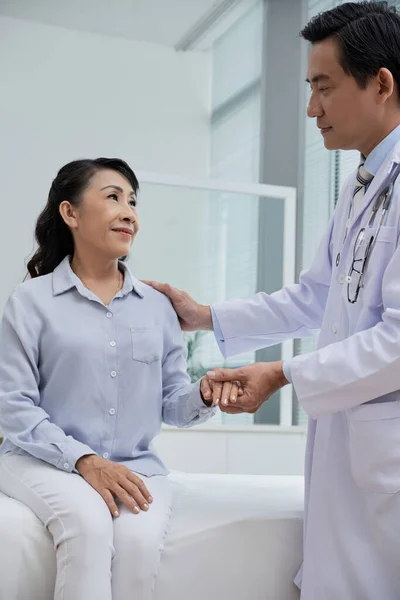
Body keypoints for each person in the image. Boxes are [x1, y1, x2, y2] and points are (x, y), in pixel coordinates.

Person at [145, 2, 400, 599]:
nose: (312, 108)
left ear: (382, 83)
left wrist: (282, 373)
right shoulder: (363, 186)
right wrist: (203, 316)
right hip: (353, 452)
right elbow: (314, 297)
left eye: (324, 88)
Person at [0, 157, 239, 600]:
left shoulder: (157, 306)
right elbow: (13, 405)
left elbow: (172, 402)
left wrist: (203, 395)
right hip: (42, 460)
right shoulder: (30, 302)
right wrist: (85, 460)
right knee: (87, 524)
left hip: (135, 468)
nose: (130, 211)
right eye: (113, 197)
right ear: (70, 214)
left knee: (139, 545)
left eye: (133, 201)